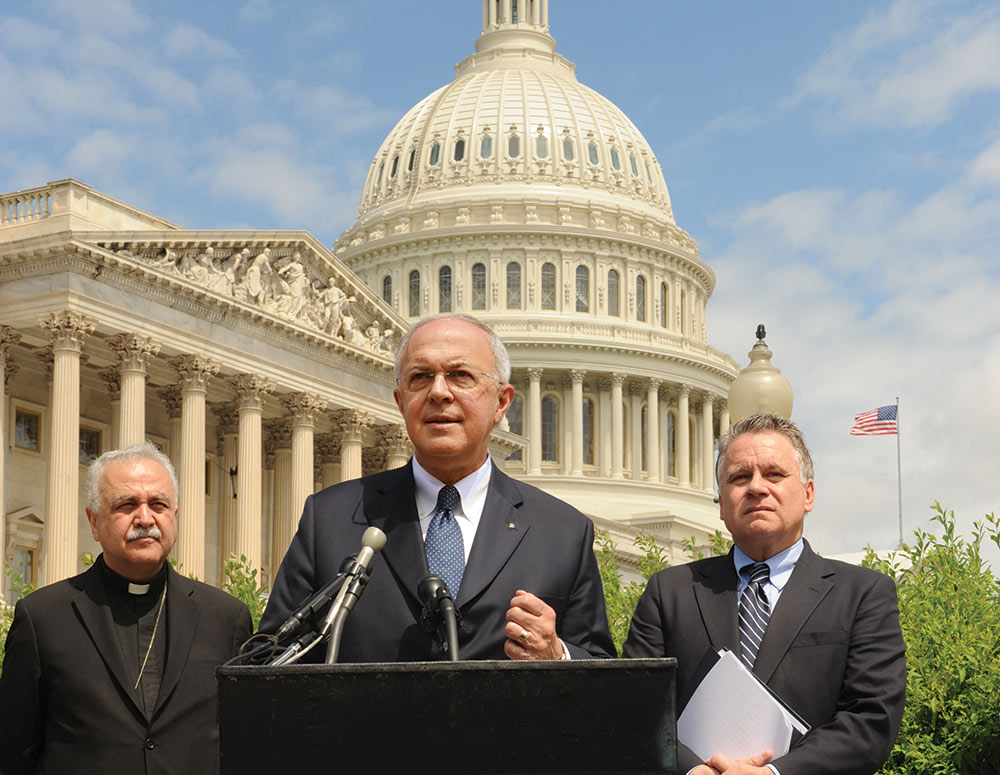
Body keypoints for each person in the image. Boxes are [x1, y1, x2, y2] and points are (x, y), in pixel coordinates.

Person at [260, 313, 615, 661]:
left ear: (502, 402)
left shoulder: (562, 531)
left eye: (460, 376)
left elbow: (605, 675)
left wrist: (558, 655)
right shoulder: (330, 518)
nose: (439, 392)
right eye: (420, 377)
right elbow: (270, 656)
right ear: (401, 403)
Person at [623, 413, 906, 775]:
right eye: (740, 477)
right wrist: (693, 771)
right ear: (721, 502)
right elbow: (636, 710)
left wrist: (775, 774)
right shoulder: (670, 592)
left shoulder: (863, 594)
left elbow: (871, 719)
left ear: (808, 494)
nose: (757, 487)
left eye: (774, 474)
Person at [0, 443, 252, 775]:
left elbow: (244, 745)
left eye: (158, 505)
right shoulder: (42, 618)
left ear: (174, 517)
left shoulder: (226, 618)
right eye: (126, 504)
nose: (145, 518)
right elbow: (14, 752)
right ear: (93, 521)